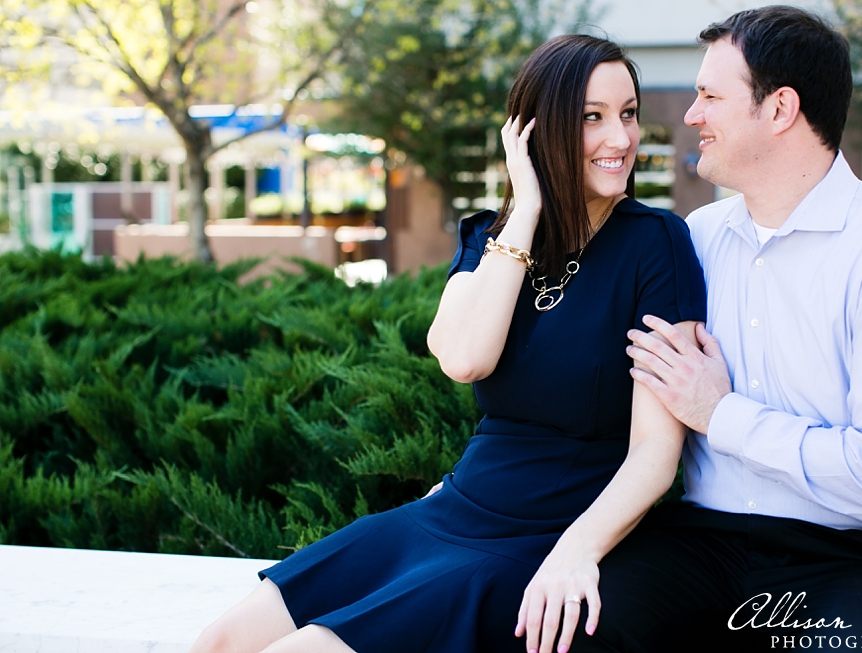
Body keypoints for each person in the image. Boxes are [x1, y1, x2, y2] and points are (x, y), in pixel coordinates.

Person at [188, 34, 707, 653]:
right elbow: (464, 358)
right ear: (535, 131)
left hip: (541, 538)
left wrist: (575, 554)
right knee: (219, 642)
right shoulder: (494, 237)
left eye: (627, 114)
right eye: (591, 118)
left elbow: (655, 452)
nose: (620, 139)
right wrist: (528, 208)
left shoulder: (656, 243)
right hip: (448, 510)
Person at [571, 6, 862, 652]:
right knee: (570, 623)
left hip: (853, 556)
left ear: (780, 109)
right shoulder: (693, 241)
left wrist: (721, 412)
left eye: (709, 96)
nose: (692, 115)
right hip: (700, 541)